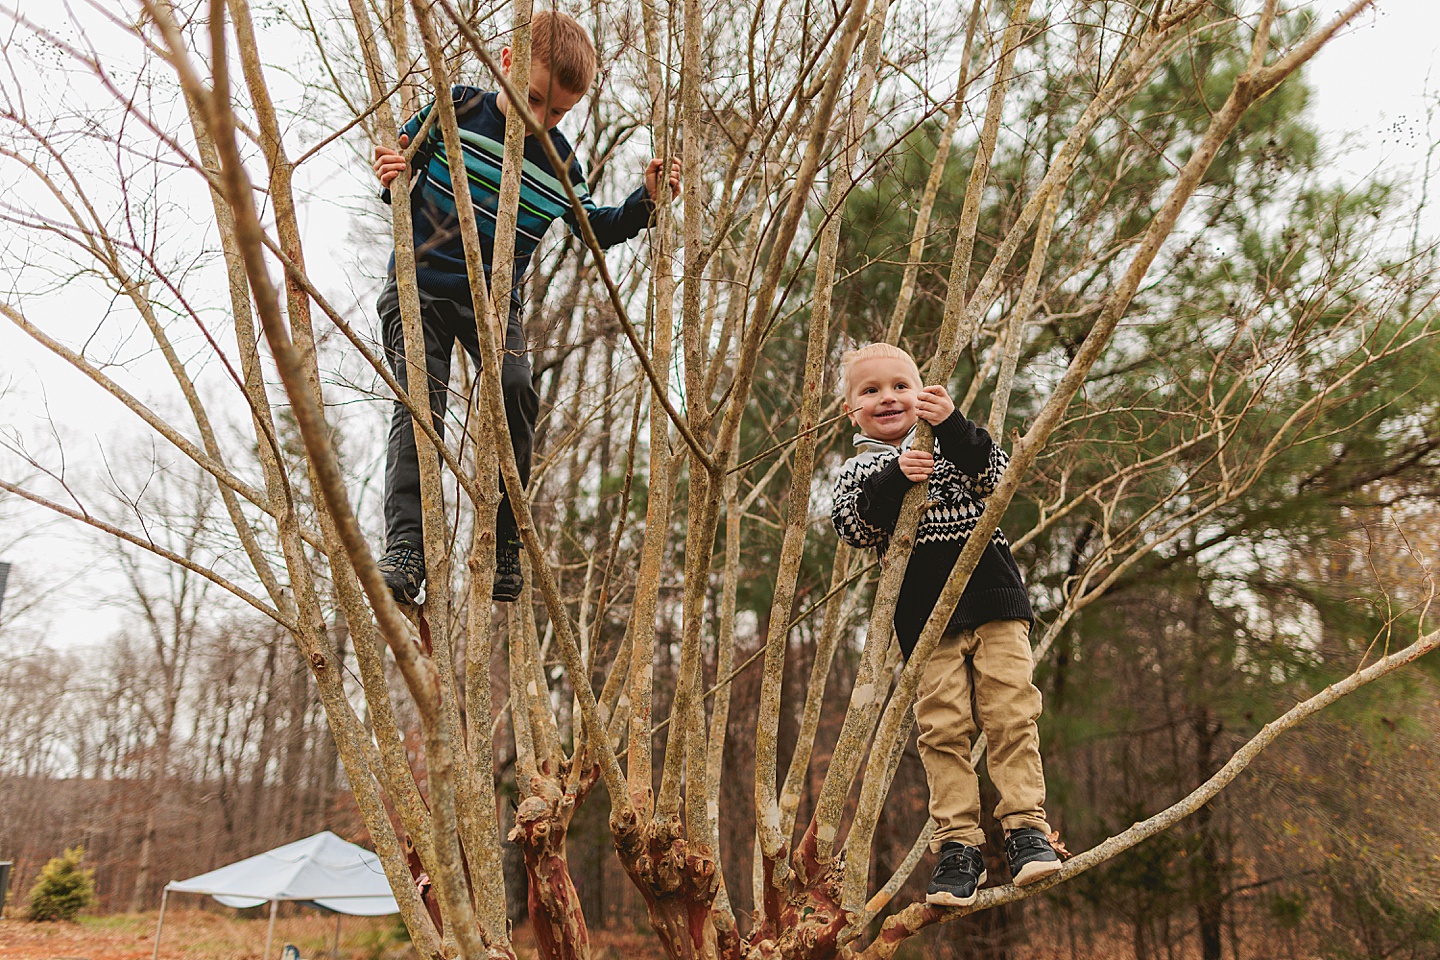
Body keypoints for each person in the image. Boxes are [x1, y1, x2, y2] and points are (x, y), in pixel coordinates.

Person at [371, 10, 680, 604]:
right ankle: (407, 546)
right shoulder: (455, 107)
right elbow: (399, 167)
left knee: (516, 390)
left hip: (494, 305)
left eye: (557, 112)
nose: (540, 119)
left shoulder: (558, 161)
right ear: (507, 62)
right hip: (423, 287)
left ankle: (505, 540)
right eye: (533, 99)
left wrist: (645, 200)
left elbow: (596, 227)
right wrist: (392, 171)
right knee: (420, 404)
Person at [830, 343, 1061, 907]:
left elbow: (1000, 478)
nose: (888, 398)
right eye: (870, 391)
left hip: (995, 602)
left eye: (900, 386)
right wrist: (895, 479)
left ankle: (1026, 829)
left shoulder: (953, 442)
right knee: (942, 730)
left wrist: (954, 425)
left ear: (923, 394)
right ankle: (959, 847)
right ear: (850, 411)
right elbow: (852, 527)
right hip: (924, 620)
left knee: (1011, 714)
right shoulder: (860, 470)